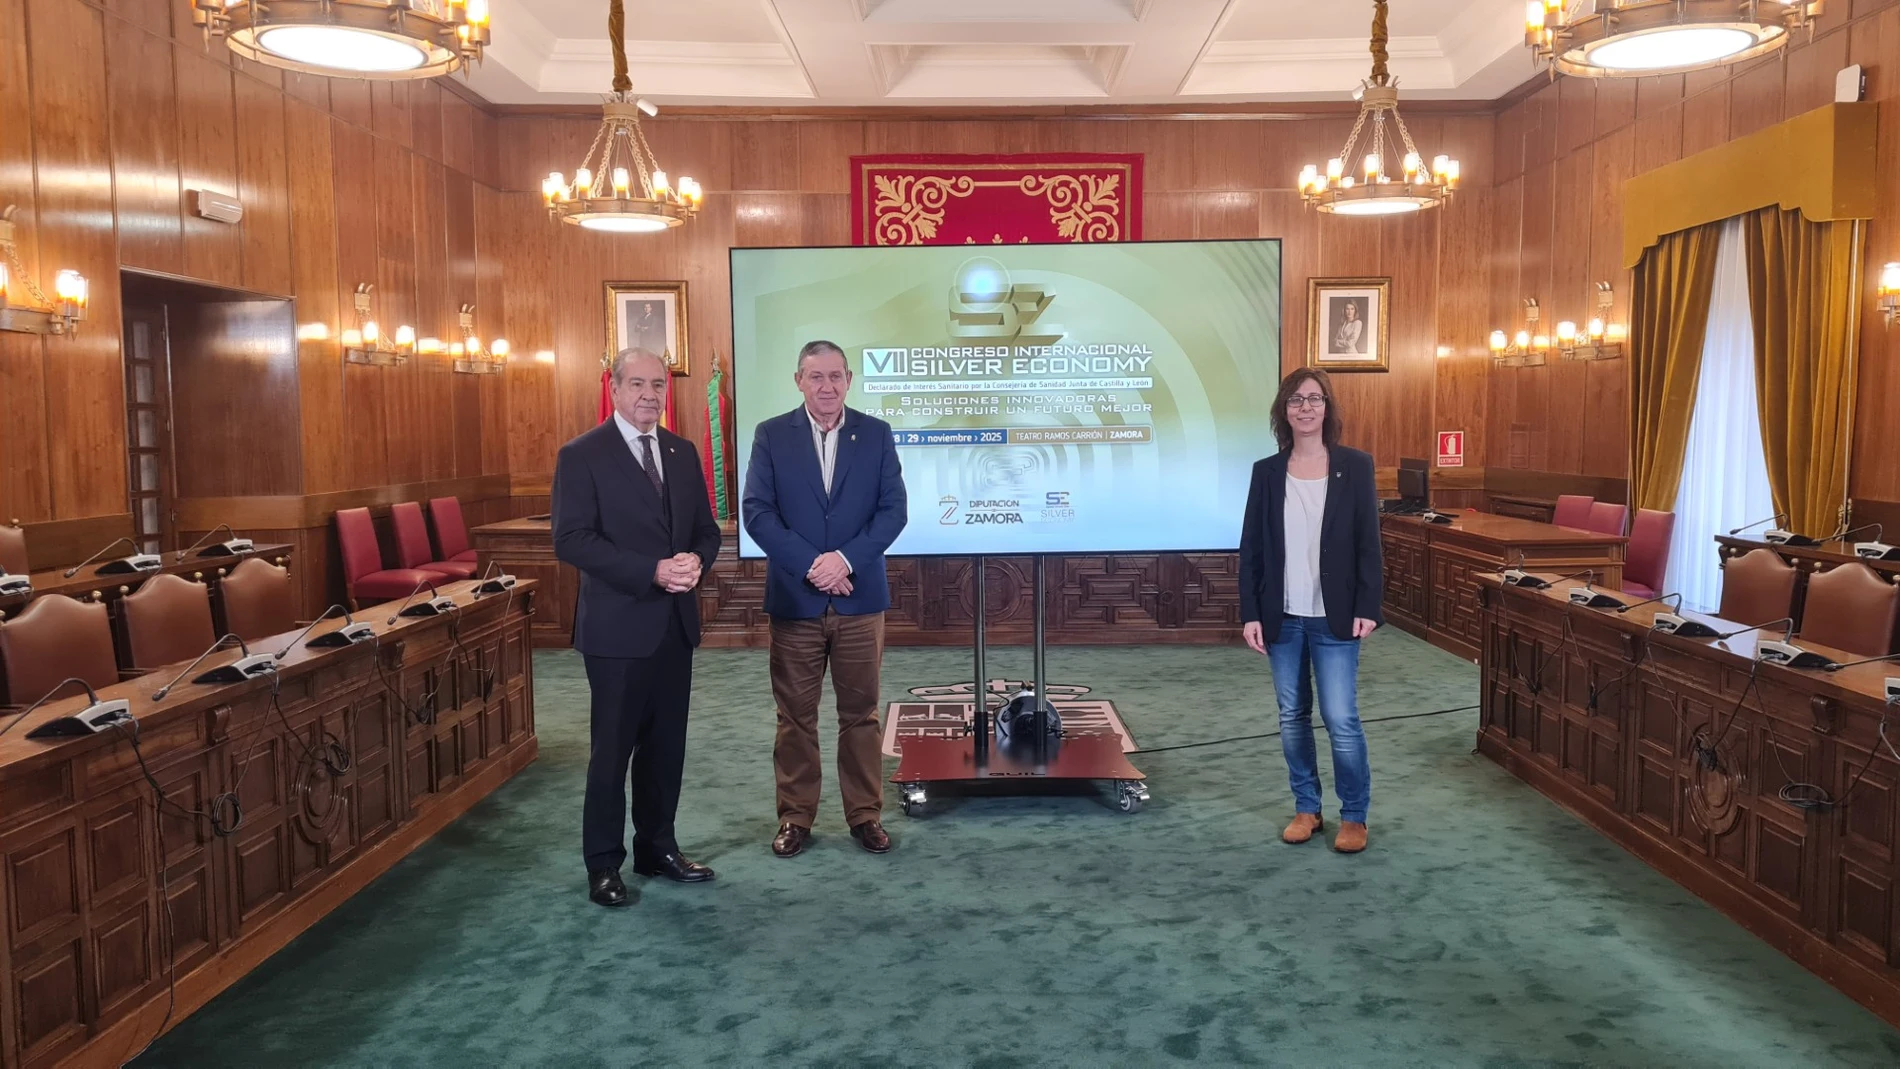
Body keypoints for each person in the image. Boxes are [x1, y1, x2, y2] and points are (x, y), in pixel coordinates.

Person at [553, 348, 722, 908]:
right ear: (615, 388)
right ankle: (603, 864)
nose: (650, 394)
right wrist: (651, 570)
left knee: (665, 748)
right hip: (617, 630)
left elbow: (705, 530)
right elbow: (571, 539)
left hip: (675, 625)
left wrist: (695, 561)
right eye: (638, 384)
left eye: (658, 385)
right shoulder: (582, 455)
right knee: (612, 752)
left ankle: (657, 848)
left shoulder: (681, 451)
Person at [742, 340, 908, 858]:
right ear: (799, 381)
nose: (827, 386)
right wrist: (815, 565)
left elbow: (893, 510)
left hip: (860, 600)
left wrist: (845, 560)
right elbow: (758, 512)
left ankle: (865, 815)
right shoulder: (771, 434)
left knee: (861, 714)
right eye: (816, 376)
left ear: (849, 380)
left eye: (836, 376)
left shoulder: (876, 434)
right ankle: (796, 817)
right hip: (797, 599)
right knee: (795, 716)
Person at [1237, 367, 1382, 853]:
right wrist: (1251, 612)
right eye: (1296, 399)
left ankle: (1354, 816)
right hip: (1282, 616)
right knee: (1292, 716)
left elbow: (1368, 544)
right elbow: (1252, 548)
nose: (1305, 407)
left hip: (1335, 615)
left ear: (1327, 407)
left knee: (1341, 718)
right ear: (1284, 410)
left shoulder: (1355, 466)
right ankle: (1307, 808)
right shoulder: (1266, 471)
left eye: (1314, 398)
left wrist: (1368, 605)